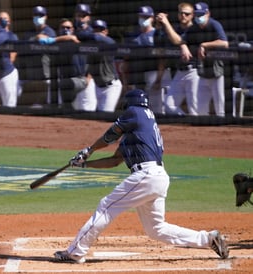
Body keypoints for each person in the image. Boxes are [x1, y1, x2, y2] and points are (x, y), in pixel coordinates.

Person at [53, 89, 229, 263]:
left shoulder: (136, 112)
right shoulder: (141, 129)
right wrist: (84, 164)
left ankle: (75, 252)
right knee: (156, 229)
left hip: (147, 175)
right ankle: (208, 238)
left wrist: (89, 150)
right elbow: (115, 160)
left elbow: (111, 134)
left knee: (105, 207)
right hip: (157, 177)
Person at [37, 18, 97, 111]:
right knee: (69, 112)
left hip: (83, 80)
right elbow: (40, 38)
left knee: (88, 112)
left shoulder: (79, 38)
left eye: (68, 28)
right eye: (63, 27)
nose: (66, 30)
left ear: (73, 29)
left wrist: (89, 76)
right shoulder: (57, 41)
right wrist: (62, 38)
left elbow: (94, 57)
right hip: (67, 82)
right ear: (59, 29)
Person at [183, 2, 228, 116]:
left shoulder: (214, 24)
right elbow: (182, 40)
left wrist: (204, 45)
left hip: (216, 71)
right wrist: (183, 47)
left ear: (207, 13)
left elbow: (224, 43)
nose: (199, 18)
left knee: (220, 109)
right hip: (202, 72)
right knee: (201, 111)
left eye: (201, 15)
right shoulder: (194, 28)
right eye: (197, 15)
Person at [156, 3, 199, 116]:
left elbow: (178, 40)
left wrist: (166, 23)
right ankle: (186, 122)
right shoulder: (176, 29)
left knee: (194, 109)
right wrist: (160, 24)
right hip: (179, 71)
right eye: (181, 13)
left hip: (194, 71)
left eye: (187, 14)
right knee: (169, 105)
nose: (184, 15)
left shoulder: (195, 29)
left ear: (192, 15)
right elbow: (160, 40)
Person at [129, 6, 172, 114]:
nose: (143, 19)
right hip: (139, 76)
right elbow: (127, 59)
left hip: (156, 73)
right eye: (141, 16)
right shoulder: (134, 36)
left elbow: (163, 58)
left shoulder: (157, 34)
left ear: (152, 18)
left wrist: (159, 79)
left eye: (146, 17)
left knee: (159, 110)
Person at [19, 6, 56, 106]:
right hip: (31, 74)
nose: (38, 17)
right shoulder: (28, 34)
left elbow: (51, 40)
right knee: (34, 105)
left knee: (47, 103)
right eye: (36, 15)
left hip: (46, 74)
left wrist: (40, 38)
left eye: (41, 15)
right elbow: (22, 48)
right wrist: (36, 38)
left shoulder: (50, 31)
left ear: (46, 17)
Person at [87, 19, 122, 112]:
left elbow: (97, 37)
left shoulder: (109, 42)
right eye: (95, 29)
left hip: (111, 86)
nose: (98, 32)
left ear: (106, 31)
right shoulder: (90, 46)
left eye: (101, 30)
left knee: (106, 114)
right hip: (97, 86)